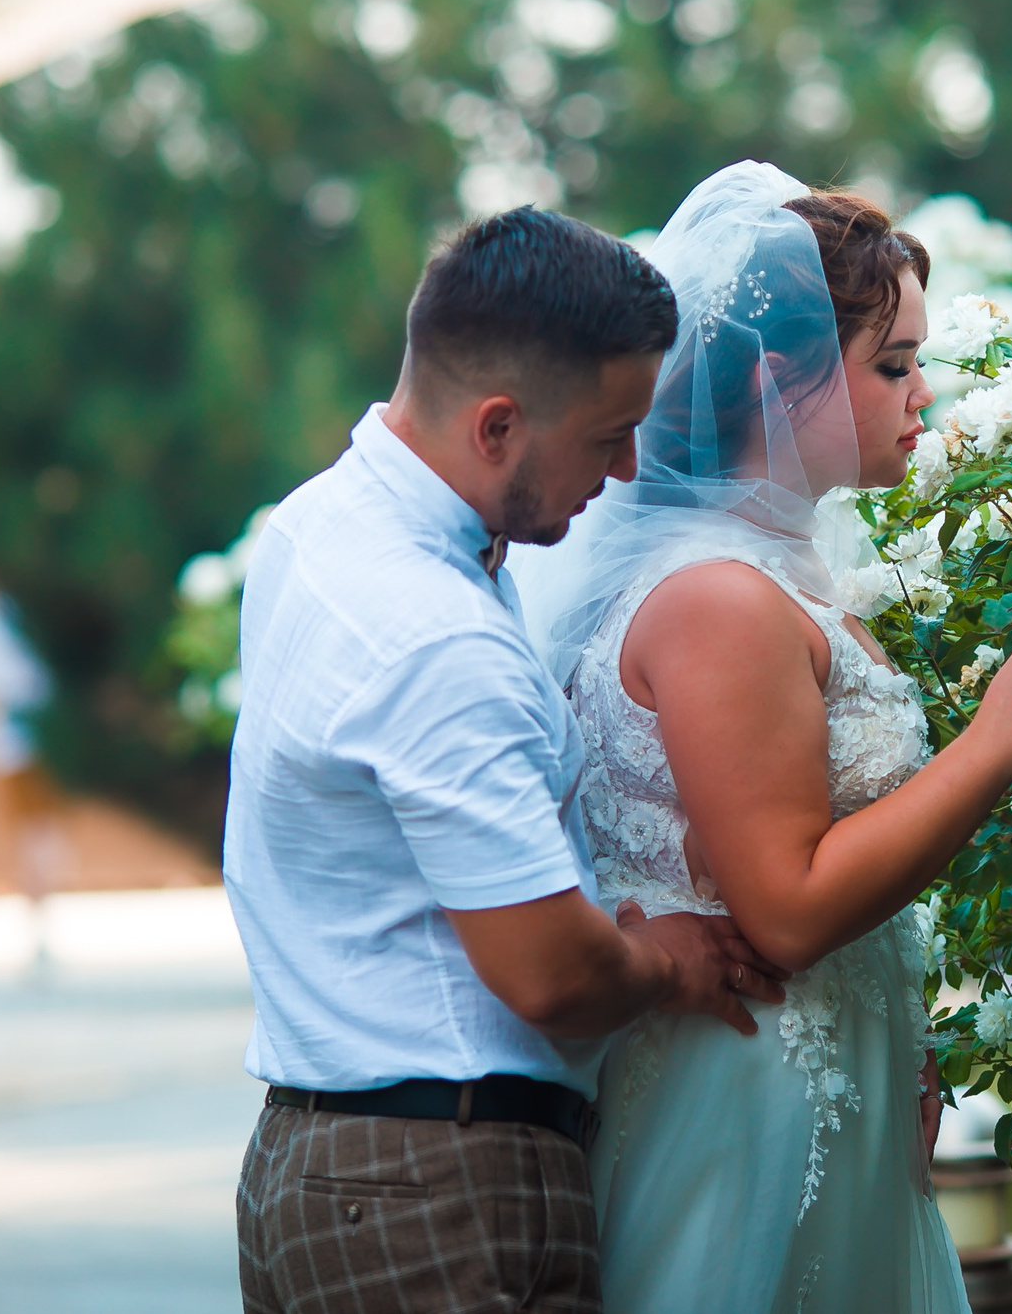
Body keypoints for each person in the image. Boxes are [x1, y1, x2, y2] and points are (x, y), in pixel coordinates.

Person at [515, 163, 1012, 1314]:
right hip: (745, 1108)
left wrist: (902, 1029)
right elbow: (784, 909)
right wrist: (997, 741)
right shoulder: (716, 601)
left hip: (843, 1085)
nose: (920, 394)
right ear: (780, 380)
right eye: (891, 366)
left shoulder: (791, 574)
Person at [228, 206, 789, 1314]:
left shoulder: (313, 528)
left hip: (327, 1161)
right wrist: (665, 963)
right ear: (496, 426)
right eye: (606, 434)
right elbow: (552, 975)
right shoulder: (434, 633)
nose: (629, 468)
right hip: (443, 1189)